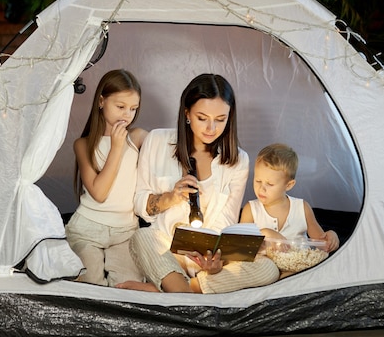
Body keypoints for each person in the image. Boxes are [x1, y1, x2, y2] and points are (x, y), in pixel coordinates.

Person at [116, 73, 279, 293]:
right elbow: (140, 205)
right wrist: (171, 197)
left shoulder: (238, 161)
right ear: (187, 114)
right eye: (202, 118)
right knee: (142, 237)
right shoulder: (157, 141)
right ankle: (184, 287)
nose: (211, 128)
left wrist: (215, 261)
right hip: (167, 250)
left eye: (220, 119)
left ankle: (180, 290)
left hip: (208, 258)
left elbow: (227, 221)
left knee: (267, 268)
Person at [66, 69, 147, 287]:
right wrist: (116, 148)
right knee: (91, 284)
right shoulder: (83, 145)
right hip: (87, 229)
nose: (127, 115)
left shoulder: (138, 137)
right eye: (120, 107)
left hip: (125, 231)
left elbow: (171, 148)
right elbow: (99, 193)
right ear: (101, 101)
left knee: (128, 286)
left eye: (133, 109)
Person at [240, 143, 340, 255]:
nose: (261, 189)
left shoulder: (302, 208)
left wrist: (331, 237)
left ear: (289, 185)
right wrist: (265, 233)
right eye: (258, 181)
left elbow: (320, 243)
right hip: (264, 266)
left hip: (297, 265)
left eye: (270, 184)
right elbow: (240, 246)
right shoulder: (251, 210)